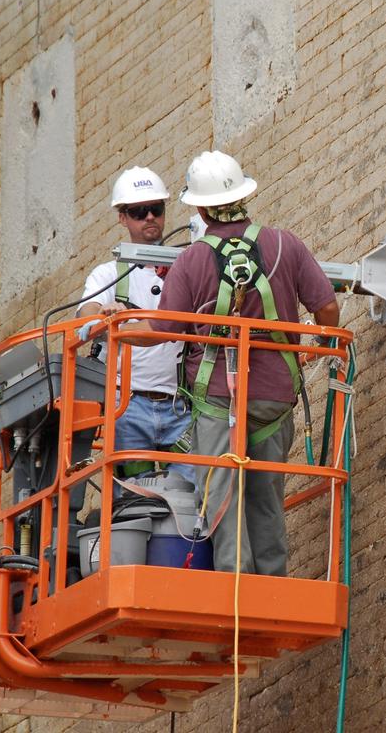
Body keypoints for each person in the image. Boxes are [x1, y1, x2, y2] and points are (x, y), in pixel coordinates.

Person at [148, 151, 339, 576]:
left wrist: (119, 322)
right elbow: (326, 307)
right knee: (267, 497)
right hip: (274, 398)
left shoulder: (191, 261)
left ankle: (236, 587)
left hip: (218, 401)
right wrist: (319, 343)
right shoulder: (285, 244)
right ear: (243, 196)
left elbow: (159, 332)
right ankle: (272, 583)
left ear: (199, 208)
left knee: (223, 498)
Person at [77, 166, 192, 483]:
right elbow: (87, 314)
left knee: (194, 495)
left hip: (180, 403)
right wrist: (103, 313)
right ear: (123, 217)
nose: (150, 218)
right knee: (132, 497)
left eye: (156, 209)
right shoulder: (110, 274)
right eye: (140, 212)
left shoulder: (183, 269)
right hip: (127, 406)